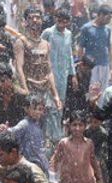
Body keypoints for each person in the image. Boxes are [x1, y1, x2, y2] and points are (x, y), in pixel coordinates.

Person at [14, 7, 62, 133]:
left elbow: (49, 71)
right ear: (25, 22)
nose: (35, 20)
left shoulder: (46, 44)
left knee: (44, 126)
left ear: (42, 20)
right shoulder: (21, 42)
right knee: (29, 127)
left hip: (44, 92)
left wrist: (55, 95)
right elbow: (19, 67)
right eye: (31, 17)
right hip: (31, 90)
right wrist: (26, 91)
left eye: (38, 17)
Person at [50, 110, 101, 183]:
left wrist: (99, 179)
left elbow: (93, 161)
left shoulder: (89, 143)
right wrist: (53, 180)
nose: (77, 128)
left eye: (80, 125)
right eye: (74, 125)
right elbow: (54, 160)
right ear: (69, 126)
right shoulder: (64, 143)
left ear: (85, 126)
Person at [41, 8, 75, 144]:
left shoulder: (69, 34)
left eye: (65, 22)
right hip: (49, 74)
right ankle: (50, 136)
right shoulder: (48, 33)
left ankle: (57, 135)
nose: (62, 24)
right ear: (55, 19)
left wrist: (73, 74)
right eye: (59, 21)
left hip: (63, 75)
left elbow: (70, 54)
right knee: (49, 105)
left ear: (68, 22)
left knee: (60, 103)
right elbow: (40, 50)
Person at [3, 93, 51, 175]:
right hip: (29, 165)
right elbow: (11, 133)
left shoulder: (40, 123)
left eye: (40, 109)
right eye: (34, 109)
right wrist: (5, 129)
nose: (37, 112)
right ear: (26, 109)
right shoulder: (24, 124)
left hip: (40, 163)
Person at [77, 4, 112, 106]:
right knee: (91, 91)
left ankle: (99, 117)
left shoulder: (108, 29)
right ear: (100, 14)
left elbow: (109, 48)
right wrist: (81, 65)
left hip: (104, 65)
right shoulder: (87, 28)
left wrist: (111, 67)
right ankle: (90, 114)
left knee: (103, 91)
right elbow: (80, 47)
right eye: (108, 18)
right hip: (91, 66)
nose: (109, 21)